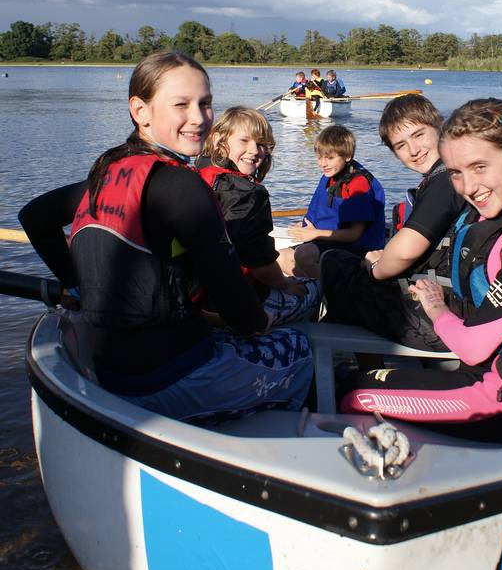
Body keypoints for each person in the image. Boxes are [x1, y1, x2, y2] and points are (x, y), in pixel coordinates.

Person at [18, 51, 312, 421]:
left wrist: (76, 287)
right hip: (165, 379)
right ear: (140, 111)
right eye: (181, 104)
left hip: (108, 367)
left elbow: (35, 217)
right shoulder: (184, 187)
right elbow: (239, 309)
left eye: (205, 104)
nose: (199, 117)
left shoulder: (107, 172)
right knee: (299, 349)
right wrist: (261, 323)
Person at [337, 98, 502, 440]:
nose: (468, 187)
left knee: (353, 392)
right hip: (488, 380)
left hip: (501, 402)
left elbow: (472, 348)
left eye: (479, 167)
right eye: (456, 172)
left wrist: (436, 307)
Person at [321, 95, 466, 349]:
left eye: (419, 135)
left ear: (441, 128)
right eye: (401, 145)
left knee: (335, 264)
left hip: (439, 317)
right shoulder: (454, 173)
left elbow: (405, 251)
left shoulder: (445, 182)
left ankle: (343, 365)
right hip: (446, 301)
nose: (413, 150)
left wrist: (376, 267)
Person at [196, 105, 320, 324]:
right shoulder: (247, 194)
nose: (254, 150)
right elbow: (259, 264)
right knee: (314, 288)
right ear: (219, 141)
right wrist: (285, 284)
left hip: (200, 297)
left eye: (261, 144)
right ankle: (291, 343)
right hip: (236, 302)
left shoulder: (198, 173)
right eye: (244, 141)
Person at [283, 125, 386, 279]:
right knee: (279, 257)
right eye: (319, 157)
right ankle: (313, 288)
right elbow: (323, 211)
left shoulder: (358, 184)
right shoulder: (330, 174)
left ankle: (333, 292)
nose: (322, 164)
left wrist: (314, 234)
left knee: (304, 255)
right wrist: (305, 225)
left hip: (356, 248)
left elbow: (354, 234)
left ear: (347, 156)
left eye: (330, 158)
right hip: (329, 240)